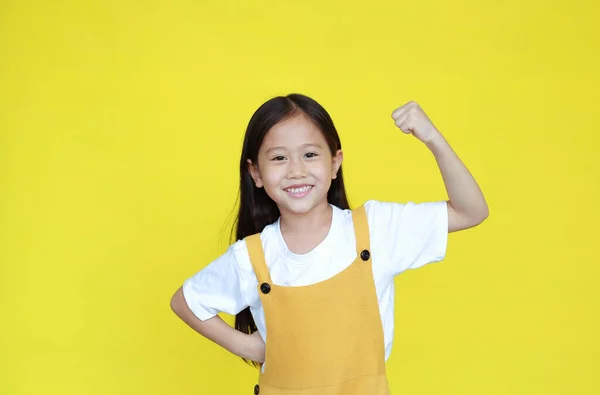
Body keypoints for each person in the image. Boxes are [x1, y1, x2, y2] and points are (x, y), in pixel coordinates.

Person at [170, 93, 488, 394]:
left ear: (335, 163)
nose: (296, 170)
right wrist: (246, 345)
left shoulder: (376, 230)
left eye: (310, 154)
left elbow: (470, 211)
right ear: (256, 173)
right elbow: (185, 301)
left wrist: (433, 138)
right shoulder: (253, 257)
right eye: (279, 157)